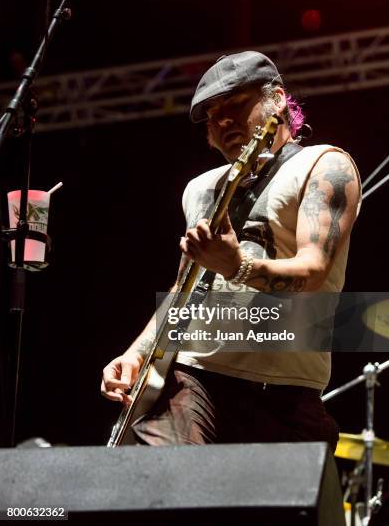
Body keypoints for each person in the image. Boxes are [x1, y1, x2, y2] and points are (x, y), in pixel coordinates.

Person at [101, 51, 361, 448]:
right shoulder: (200, 189)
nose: (222, 121)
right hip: (195, 377)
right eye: (212, 115)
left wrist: (237, 266)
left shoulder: (323, 165)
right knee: (160, 491)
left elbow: (314, 270)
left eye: (236, 105)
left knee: (278, 510)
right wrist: (137, 354)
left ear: (276, 100)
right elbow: (183, 289)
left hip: (286, 389)